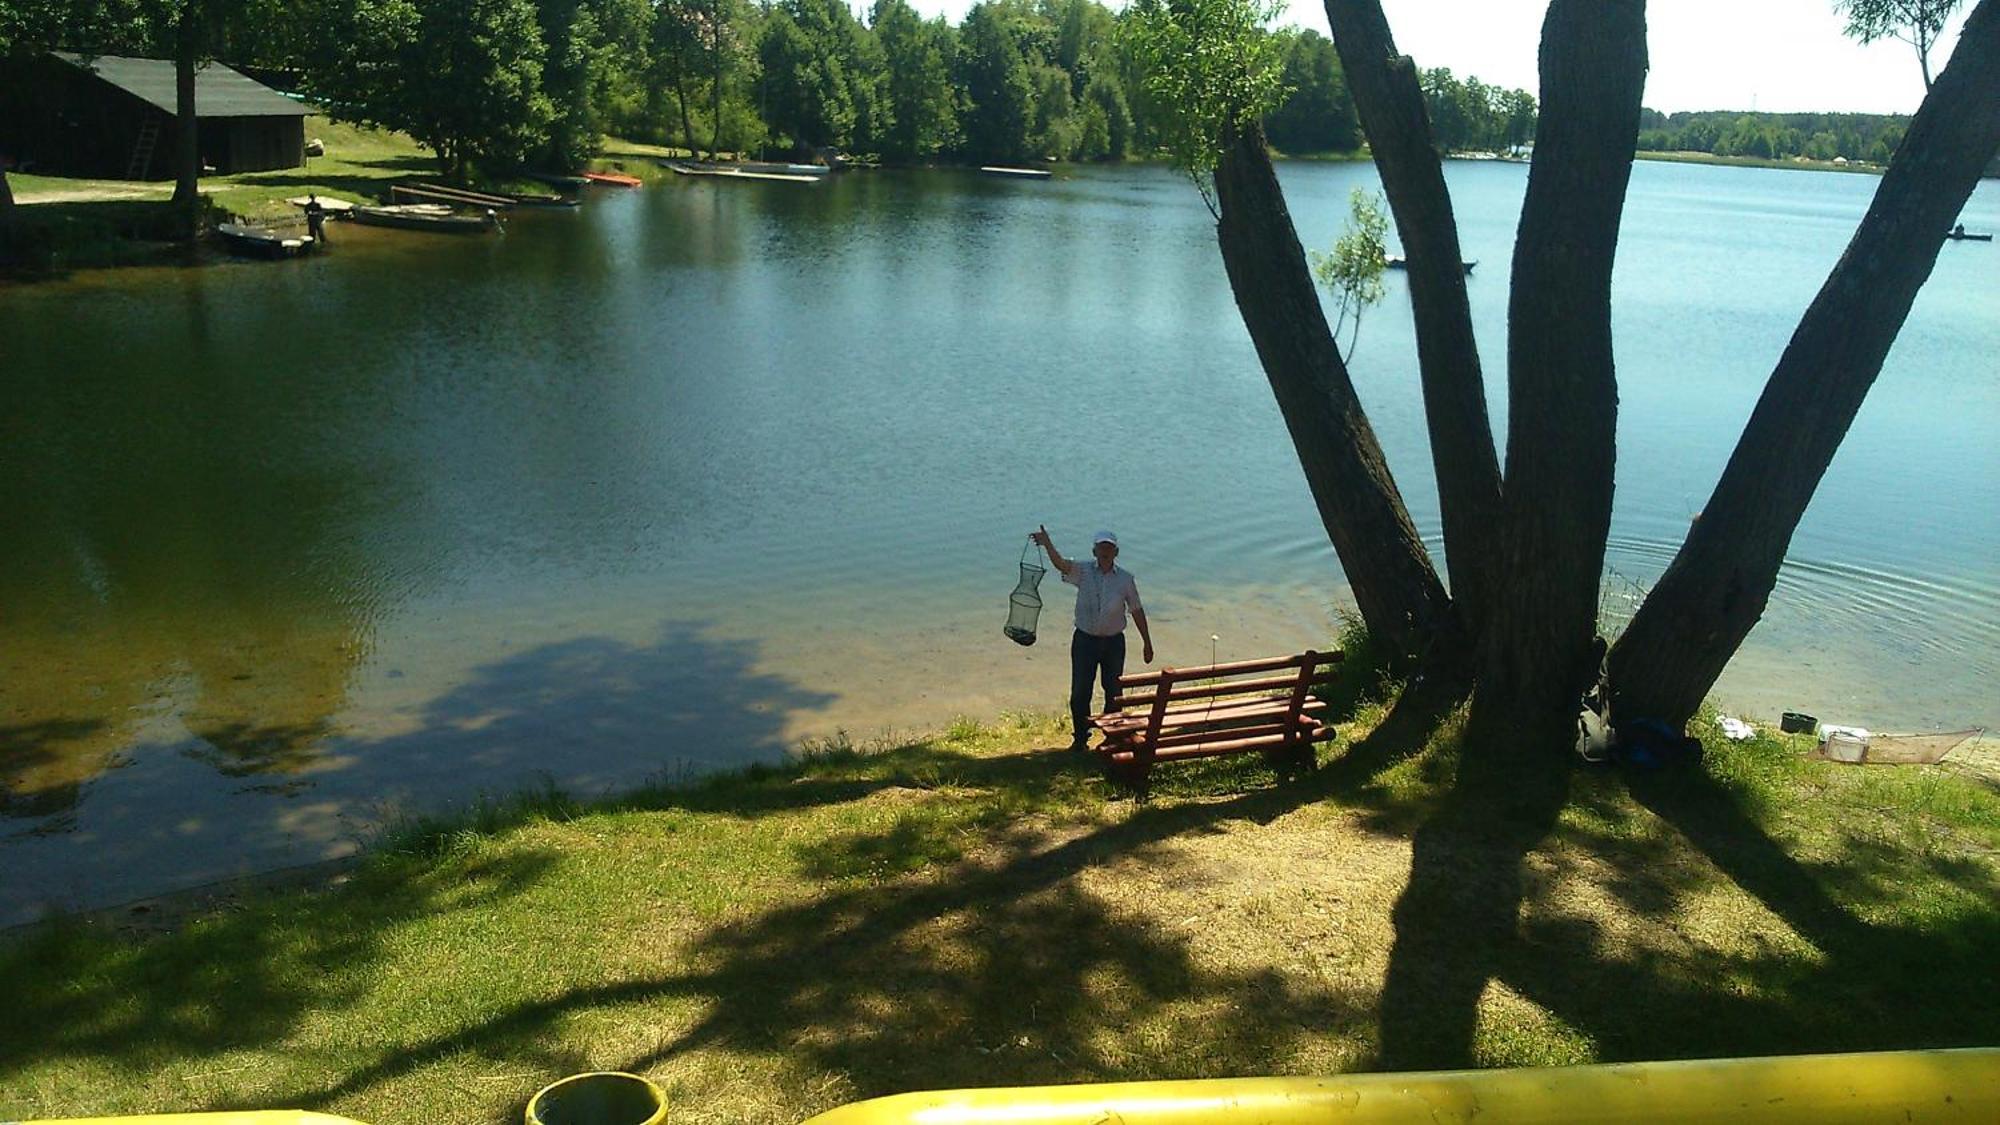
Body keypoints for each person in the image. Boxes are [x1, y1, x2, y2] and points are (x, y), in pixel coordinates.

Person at [1030, 524, 1154, 752]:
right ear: (1094, 551)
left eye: (1109, 548)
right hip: (1085, 641)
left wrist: (1147, 642)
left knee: (1113, 692)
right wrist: (1047, 543)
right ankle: (1080, 739)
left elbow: (1136, 609)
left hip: (1114, 643)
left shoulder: (1125, 579)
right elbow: (1060, 564)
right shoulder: (1083, 571)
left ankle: (1112, 737)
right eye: (1101, 548)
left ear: (1116, 552)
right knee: (1080, 691)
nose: (1105, 552)